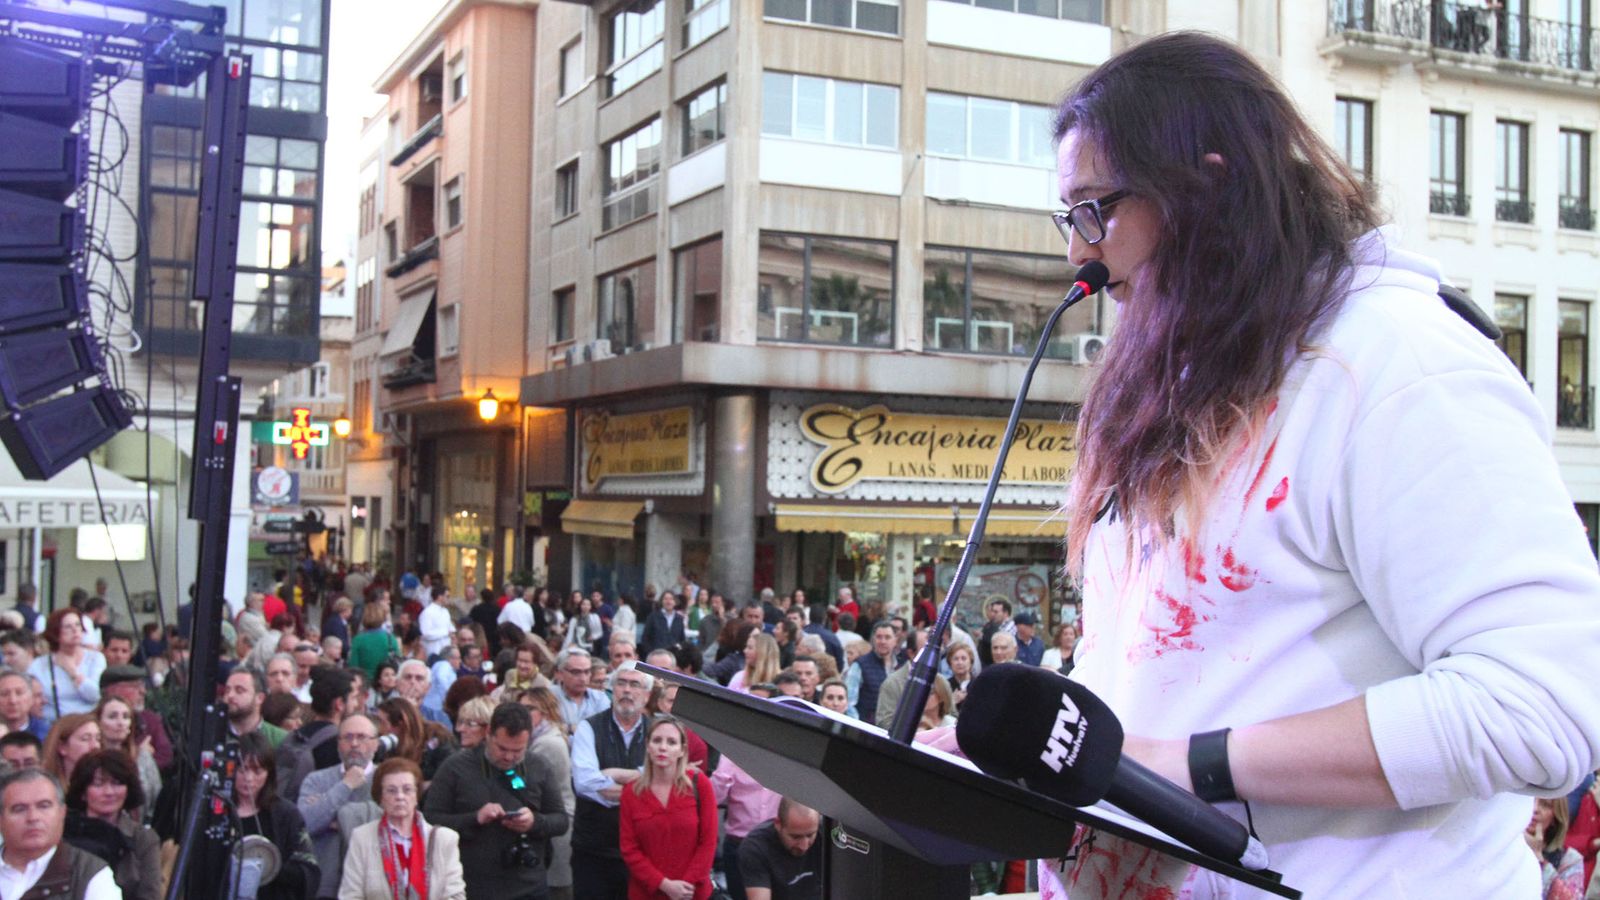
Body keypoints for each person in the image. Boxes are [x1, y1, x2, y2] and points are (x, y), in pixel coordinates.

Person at [1032, 31, 1600, 898]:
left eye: (1096, 210)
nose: (1080, 254)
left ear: (1208, 188)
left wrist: (1185, 767)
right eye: (1068, 218)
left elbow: (1542, 707)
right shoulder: (1190, 377)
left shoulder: (1402, 360)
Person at [422, 702, 570, 900]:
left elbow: (560, 820)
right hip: (474, 886)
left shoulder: (538, 766)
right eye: (502, 748)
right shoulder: (455, 768)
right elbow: (430, 820)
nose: (509, 757)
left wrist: (534, 822)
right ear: (489, 733)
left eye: (518, 750)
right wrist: (475, 818)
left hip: (529, 886)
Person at [570, 662, 652, 899]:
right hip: (594, 850)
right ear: (612, 689)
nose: (627, 690)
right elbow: (585, 784)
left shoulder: (657, 731)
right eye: (621, 683)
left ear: (646, 695)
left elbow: (662, 783)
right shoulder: (589, 728)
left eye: (634, 684)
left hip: (643, 850)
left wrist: (612, 773)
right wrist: (641, 781)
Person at [338, 757, 466, 900]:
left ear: (416, 796)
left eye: (407, 790)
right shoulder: (362, 838)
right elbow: (350, 895)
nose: (400, 796)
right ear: (380, 797)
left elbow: (456, 896)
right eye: (391, 791)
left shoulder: (444, 839)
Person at [618, 716, 716, 900]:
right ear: (648, 746)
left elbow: (708, 842)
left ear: (682, 750)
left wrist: (685, 886)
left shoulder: (699, 784)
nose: (663, 747)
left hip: (692, 893)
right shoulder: (631, 792)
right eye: (657, 740)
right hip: (647, 893)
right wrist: (664, 884)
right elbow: (629, 849)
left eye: (671, 742)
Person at [0, 767, 119, 900]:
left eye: (44, 806)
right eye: (19, 809)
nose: (33, 817)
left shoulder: (88, 873)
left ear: (62, 812)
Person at [298, 712, 382, 900]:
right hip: (324, 886)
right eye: (348, 737)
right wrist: (346, 785)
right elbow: (306, 823)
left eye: (361, 737)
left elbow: (388, 825)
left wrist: (338, 817)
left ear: (376, 744)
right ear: (338, 743)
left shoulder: (386, 780)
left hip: (373, 885)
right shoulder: (316, 780)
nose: (354, 744)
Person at [231, 731, 320, 900]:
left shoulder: (286, 814)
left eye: (257, 771)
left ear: (269, 773)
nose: (248, 778)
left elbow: (309, 871)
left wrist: (271, 867)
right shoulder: (216, 809)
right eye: (242, 770)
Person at [64, 750, 160, 900]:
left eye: (117, 783)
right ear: (83, 792)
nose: (109, 792)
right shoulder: (64, 832)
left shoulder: (143, 838)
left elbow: (150, 895)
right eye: (98, 784)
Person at [737, 799, 821, 900]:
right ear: (778, 824)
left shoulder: (827, 834)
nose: (804, 846)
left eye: (810, 835)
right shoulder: (756, 847)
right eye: (795, 837)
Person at [31, 610, 105, 722]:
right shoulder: (39, 664)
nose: (75, 630)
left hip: (87, 722)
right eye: (68, 627)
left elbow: (95, 695)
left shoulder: (96, 658)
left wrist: (72, 671)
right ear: (56, 632)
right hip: (52, 723)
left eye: (78, 625)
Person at [98, 667, 173, 771]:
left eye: (143, 685)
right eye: (135, 686)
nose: (143, 691)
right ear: (113, 690)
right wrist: (139, 756)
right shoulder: (91, 722)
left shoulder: (150, 720)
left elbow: (165, 755)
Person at [92, 698, 158, 816]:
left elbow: (156, 797)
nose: (120, 722)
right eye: (112, 716)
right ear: (99, 722)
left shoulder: (142, 757)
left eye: (126, 717)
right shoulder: (90, 760)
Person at [843, 622, 899, 721]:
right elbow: (849, 702)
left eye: (887, 637)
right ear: (873, 640)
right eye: (879, 637)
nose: (883, 641)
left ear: (895, 640)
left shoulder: (901, 666)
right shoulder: (860, 665)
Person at [554, 649, 610, 734]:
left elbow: (606, 730)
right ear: (559, 674)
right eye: (576, 672)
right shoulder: (548, 696)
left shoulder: (600, 698)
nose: (583, 678)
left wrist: (569, 728)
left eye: (587, 672)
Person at [42, 714, 100, 787]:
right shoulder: (47, 787)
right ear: (62, 747)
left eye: (98, 739)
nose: (95, 746)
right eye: (85, 739)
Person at [347, 602, 399, 681]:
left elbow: (353, 666)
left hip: (365, 682)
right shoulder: (391, 638)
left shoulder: (358, 639)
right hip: (385, 682)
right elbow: (397, 661)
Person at [0, 669, 49, 740]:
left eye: (19, 693)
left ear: (31, 698)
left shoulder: (47, 734)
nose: (13, 701)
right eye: (4, 694)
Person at [637, 594, 684, 659]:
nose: (668, 601)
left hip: (673, 657)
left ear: (675, 602)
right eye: (665, 599)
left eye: (671, 599)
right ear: (661, 601)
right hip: (656, 656)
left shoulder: (679, 619)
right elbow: (645, 638)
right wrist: (650, 653)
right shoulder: (653, 617)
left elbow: (681, 639)